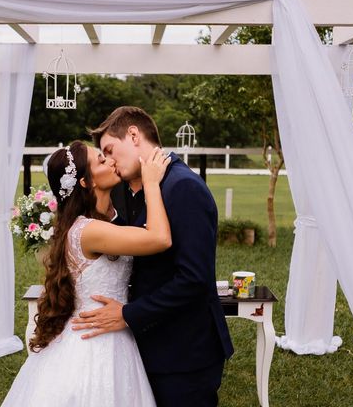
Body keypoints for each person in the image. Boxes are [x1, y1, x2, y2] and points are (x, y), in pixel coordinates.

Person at [72, 106, 233, 407]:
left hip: (184, 353)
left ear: (133, 135)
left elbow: (194, 279)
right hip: (148, 349)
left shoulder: (182, 187)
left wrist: (127, 314)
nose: (109, 161)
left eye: (109, 149)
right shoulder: (137, 189)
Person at [1, 140, 171, 406]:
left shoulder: (106, 219)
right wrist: (151, 184)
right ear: (85, 182)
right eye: (101, 161)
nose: (112, 161)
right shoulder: (88, 230)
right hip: (95, 341)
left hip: (113, 332)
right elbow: (160, 238)